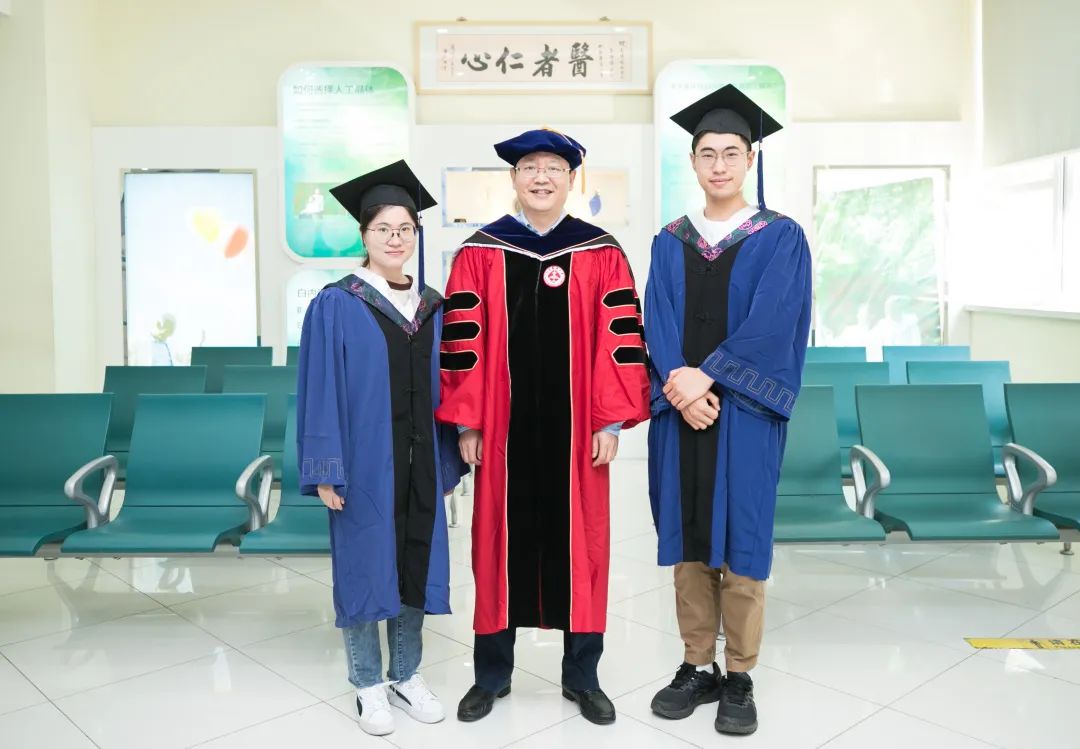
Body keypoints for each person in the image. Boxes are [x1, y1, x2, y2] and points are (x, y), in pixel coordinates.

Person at [436, 129, 651, 726]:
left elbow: (618, 337)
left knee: (583, 545)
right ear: (513, 178)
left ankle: (583, 675)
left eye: (553, 167)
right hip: (500, 430)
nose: (540, 177)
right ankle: (491, 675)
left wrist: (610, 419)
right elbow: (463, 340)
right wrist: (468, 421)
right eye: (529, 166)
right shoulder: (480, 252)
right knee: (495, 544)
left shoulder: (601, 252)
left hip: (578, 431)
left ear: (571, 180)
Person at [643, 85, 812, 736]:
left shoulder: (780, 237)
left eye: (731, 153)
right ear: (692, 162)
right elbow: (656, 323)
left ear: (750, 159)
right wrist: (681, 391)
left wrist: (703, 378)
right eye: (707, 153)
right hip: (682, 414)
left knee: (742, 539)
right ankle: (697, 664)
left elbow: (774, 324)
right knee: (689, 538)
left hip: (744, 414)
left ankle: (739, 672)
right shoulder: (669, 241)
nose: (719, 164)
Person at [296, 160, 466, 736]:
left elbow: (448, 387)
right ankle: (367, 682)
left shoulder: (432, 306)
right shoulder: (337, 303)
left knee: (415, 563)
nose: (395, 239)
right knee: (365, 567)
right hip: (364, 464)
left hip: (420, 461)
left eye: (405, 229)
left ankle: (406, 674)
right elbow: (319, 390)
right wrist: (326, 469)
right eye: (383, 229)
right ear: (363, 235)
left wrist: (448, 455)